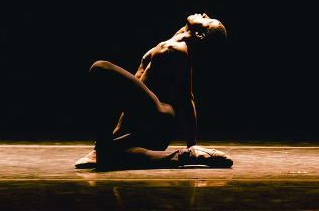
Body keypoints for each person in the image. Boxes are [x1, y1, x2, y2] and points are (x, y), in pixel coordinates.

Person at [74, 13, 233, 169]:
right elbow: (186, 100)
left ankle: (104, 150)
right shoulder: (184, 52)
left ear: (199, 34)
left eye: (207, 20)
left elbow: (134, 102)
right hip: (156, 131)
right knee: (120, 157)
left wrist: (107, 143)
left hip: (153, 117)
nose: (204, 14)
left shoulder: (172, 50)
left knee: (101, 68)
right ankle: (188, 155)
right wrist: (193, 145)